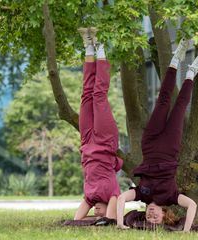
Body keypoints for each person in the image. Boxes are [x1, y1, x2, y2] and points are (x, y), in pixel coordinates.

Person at [116, 39, 198, 232]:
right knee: (180, 108)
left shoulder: (141, 194)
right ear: (164, 213)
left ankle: (175, 60)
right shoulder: (171, 197)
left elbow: (121, 198)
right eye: (156, 218)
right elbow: (192, 205)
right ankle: (191, 72)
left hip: (149, 143)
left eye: (148, 217)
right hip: (169, 147)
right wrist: (186, 230)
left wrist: (119, 223)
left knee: (162, 101)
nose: (151, 215)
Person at [74, 27, 123, 221]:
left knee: (86, 95)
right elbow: (109, 219)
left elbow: (76, 220)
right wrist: (105, 221)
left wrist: (85, 221)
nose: (96, 212)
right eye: (97, 213)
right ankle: (100, 46)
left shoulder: (90, 197)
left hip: (86, 141)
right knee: (99, 95)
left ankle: (88, 46)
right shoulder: (113, 194)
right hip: (104, 141)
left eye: (94, 213)